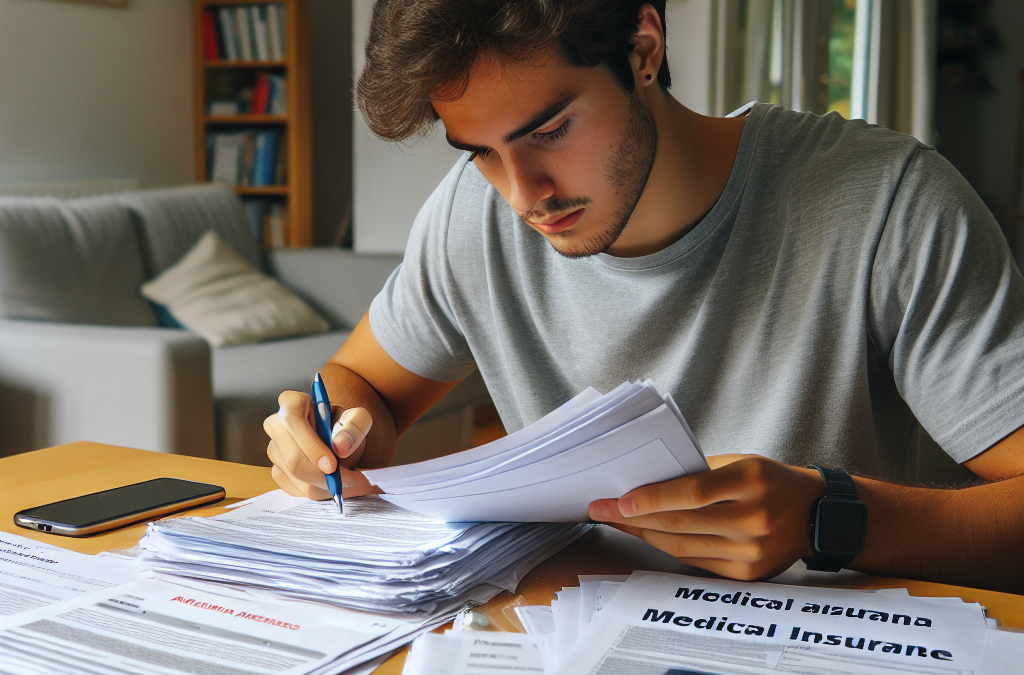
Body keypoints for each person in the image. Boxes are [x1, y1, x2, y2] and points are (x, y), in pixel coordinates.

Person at [264, 0, 1023, 592]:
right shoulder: (473, 212)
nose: (523, 195)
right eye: (481, 153)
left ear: (644, 48)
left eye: (550, 131)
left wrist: (830, 516)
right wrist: (334, 434)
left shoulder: (889, 203)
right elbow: (361, 383)